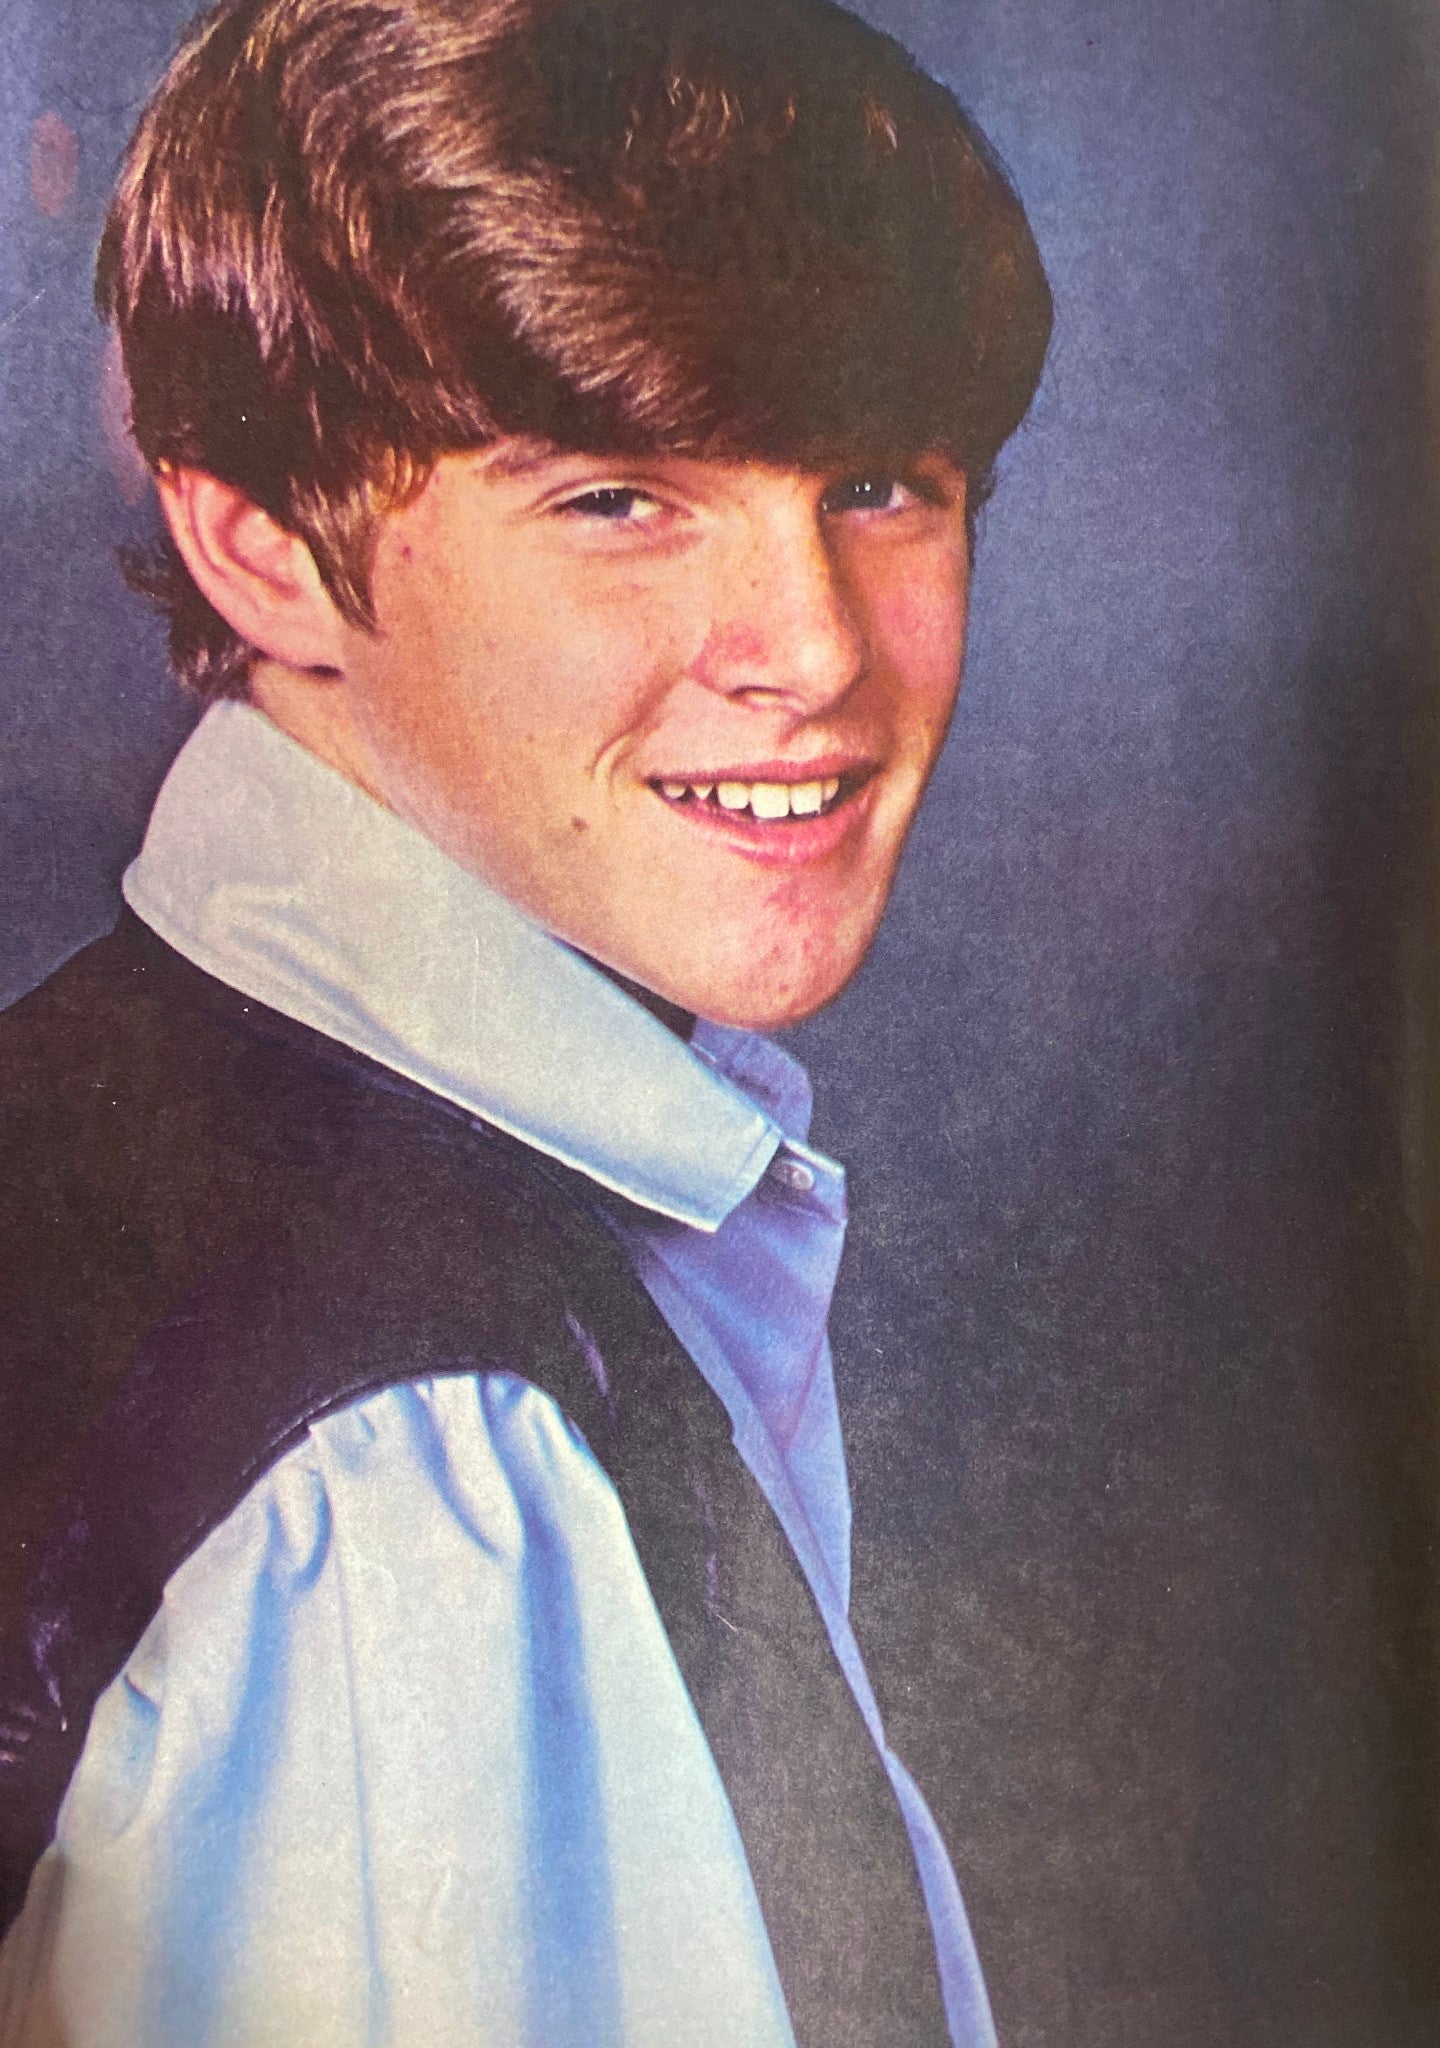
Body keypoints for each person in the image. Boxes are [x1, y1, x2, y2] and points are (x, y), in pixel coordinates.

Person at [0, 0, 1051, 2039]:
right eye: (616, 501)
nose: (814, 648)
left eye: (878, 484)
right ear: (261, 542)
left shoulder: (86, 1108)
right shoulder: (409, 1481)